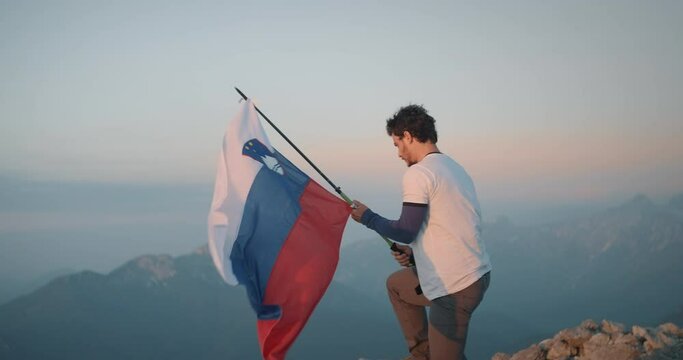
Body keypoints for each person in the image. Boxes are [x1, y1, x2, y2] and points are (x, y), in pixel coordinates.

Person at [351, 104, 492, 360]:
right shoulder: (453, 168)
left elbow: (405, 230)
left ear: (407, 136)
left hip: (454, 287)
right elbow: (450, 226)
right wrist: (415, 254)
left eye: (396, 144)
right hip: (475, 274)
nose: (398, 154)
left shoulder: (419, 173)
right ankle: (423, 353)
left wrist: (367, 217)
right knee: (397, 286)